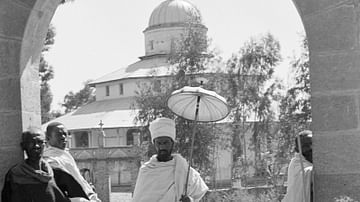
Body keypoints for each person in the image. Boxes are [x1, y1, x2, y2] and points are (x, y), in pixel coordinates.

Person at [1, 127, 88, 202]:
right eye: (31, 142)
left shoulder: (55, 172)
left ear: (45, 145)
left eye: (40, 142)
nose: (37, 146)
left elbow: (64, 197)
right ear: (23, 146)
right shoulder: (15, 174)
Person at [132, 117, 208, 202]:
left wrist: (190, 200)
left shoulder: (186, 171)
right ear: (154, 144)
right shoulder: (146, 171)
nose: (162, 147)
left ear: (172, 143)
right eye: (159, 143)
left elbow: (200, 197)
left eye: (166, 143)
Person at [43, 122, 101, 202]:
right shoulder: (50, 158)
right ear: (48, 138)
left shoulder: (64, 153)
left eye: (65, 134)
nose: (63, 137)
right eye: (59, 134)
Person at [282, 130, 313, 202]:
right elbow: (309, 172)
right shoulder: (296, 164)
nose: (310, 148)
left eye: (312, 144)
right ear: (297, 149)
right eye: (306, 146)